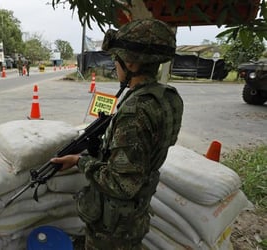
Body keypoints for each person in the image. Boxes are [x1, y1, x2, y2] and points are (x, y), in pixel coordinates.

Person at [50, 19, 184, 250]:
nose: (115, 67)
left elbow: (122, 185)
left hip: (114, 227)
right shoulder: (168, 97)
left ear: (131, 64)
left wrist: (80, 162)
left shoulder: (135, 112)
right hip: (136, 212)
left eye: (117, 60)